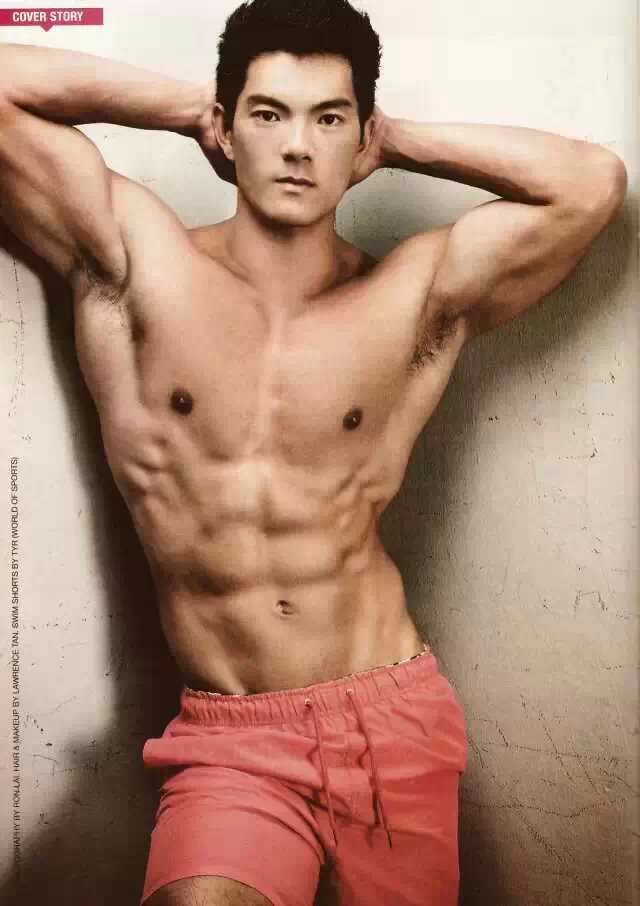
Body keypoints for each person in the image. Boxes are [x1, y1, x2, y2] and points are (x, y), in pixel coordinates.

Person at [0, 0, 627, 903]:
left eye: (329, 120)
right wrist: (189, 109)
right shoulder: (137, 262)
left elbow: (590, 183)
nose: (298, 147)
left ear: (360, 137)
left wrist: (396, 139)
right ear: (227, 129)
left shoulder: (411, 295)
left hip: (394, 722)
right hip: (232, 742)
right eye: (270, 115)